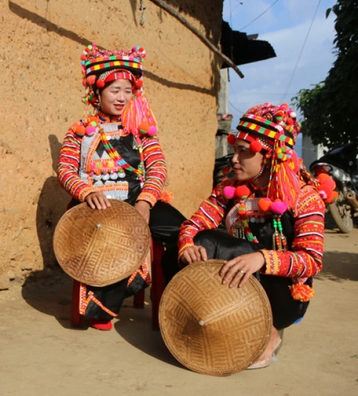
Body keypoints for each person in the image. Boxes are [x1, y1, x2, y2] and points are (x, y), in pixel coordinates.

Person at [178, 102, 328, 369]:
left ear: (269, 156)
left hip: (281, 294)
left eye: (243, 152)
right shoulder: (230, 188)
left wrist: (261, 259)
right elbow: (195, 223)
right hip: (238, 283)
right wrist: (187, 243)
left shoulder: (305, 197)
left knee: (243, 252)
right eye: (235, 150)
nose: (234, 159)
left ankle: (271, 331)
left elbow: (312, 260)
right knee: (202, 242)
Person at [57, 44, 185, 330]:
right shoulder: (80, 130)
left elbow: (157, 168)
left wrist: (146, 201)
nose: (122, 97)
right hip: (96, 205)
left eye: (128, 90)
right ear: (97, 92)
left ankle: (176, 299)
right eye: (115, 90)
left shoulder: (142, 129)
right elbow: (65, 170)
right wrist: (86, 191)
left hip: (138, 200)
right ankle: (103, 303)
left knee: (182, 231)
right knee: (109, 236)